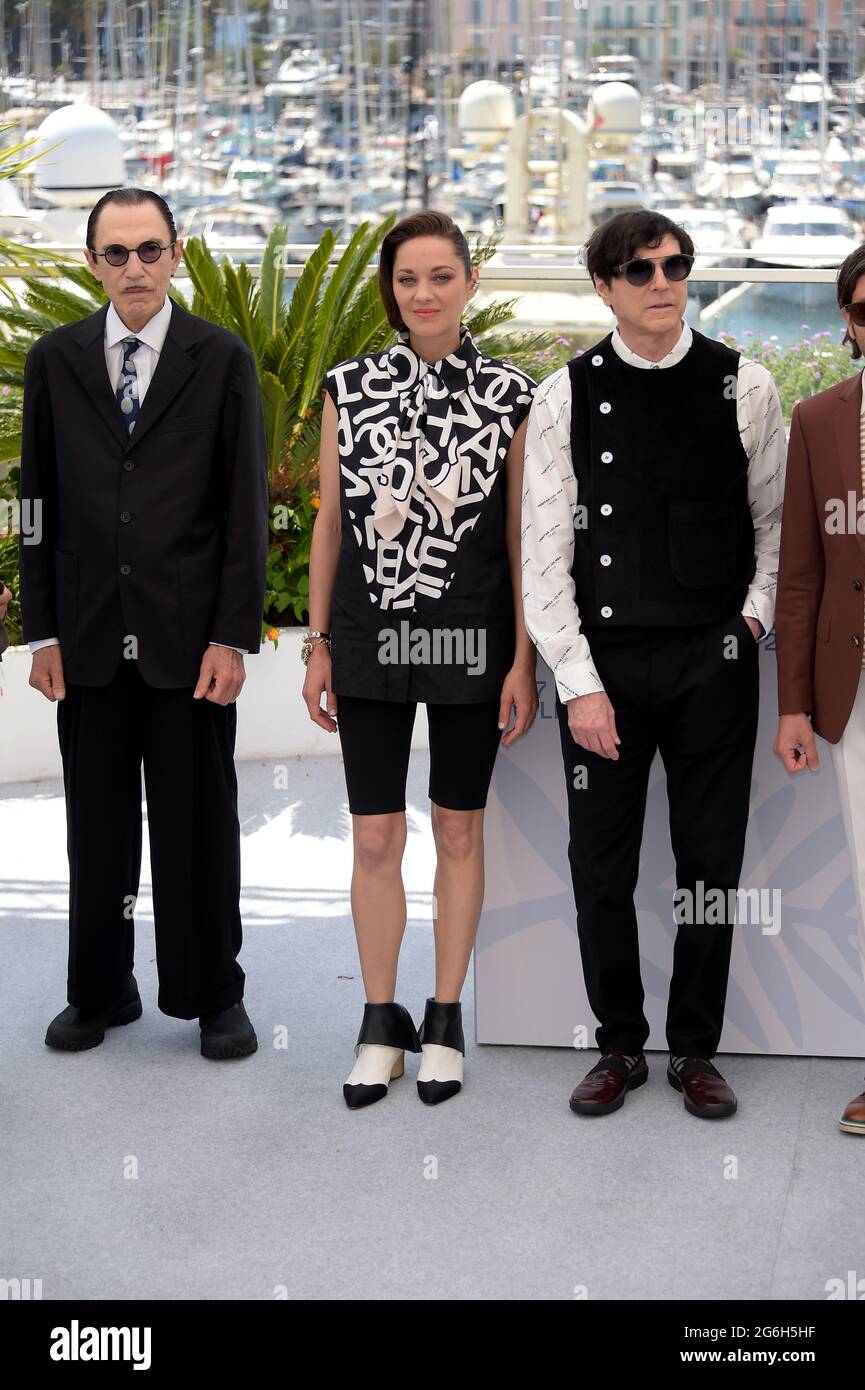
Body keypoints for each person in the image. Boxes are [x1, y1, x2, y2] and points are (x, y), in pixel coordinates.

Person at [522, 210, 786, 1119]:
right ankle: (618, 1047)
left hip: (714, 665)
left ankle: (696, 1052)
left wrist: (749, 629)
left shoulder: (743, 385)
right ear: (603, 286)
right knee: (601, 865)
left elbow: (775, 528)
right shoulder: (563, 396)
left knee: (709, 867)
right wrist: (580, 683)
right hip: (607, 673)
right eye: (640, 270)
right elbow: (542, 553)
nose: (662, 281)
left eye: (676, 265)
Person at [18, 187, 269, 1059]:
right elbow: (34, 505)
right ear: (92, 261)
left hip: (189, 642)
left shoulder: (221, 358)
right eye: (116, 253)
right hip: (86, 637)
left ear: (177, 253)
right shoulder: (54, 360)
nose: (135, 268)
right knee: (95, 824)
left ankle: (212, 996)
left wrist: (233, 636)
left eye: (150, 250)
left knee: (198, 824)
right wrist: (40, 631)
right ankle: (99, 990)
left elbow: (243, 508)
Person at [304, 210, 538, 1108]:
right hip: (367, 636)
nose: (424, 294)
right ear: (390, 290)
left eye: (441, 276)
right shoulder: (347, 386)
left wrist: (519, 660)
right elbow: (329, 523)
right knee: (373, 833)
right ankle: (378, 1020)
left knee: (456, 827)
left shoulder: (513, 394)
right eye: (408, 279)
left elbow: (521, 540)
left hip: (472, 637)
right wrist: (319, 643)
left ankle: (444, 1016)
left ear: (469, 283)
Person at [774, 243, 865, 1135]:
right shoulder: (818, 419)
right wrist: (792, 703)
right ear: (846, 320)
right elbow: (798, 575)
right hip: (854, 685)